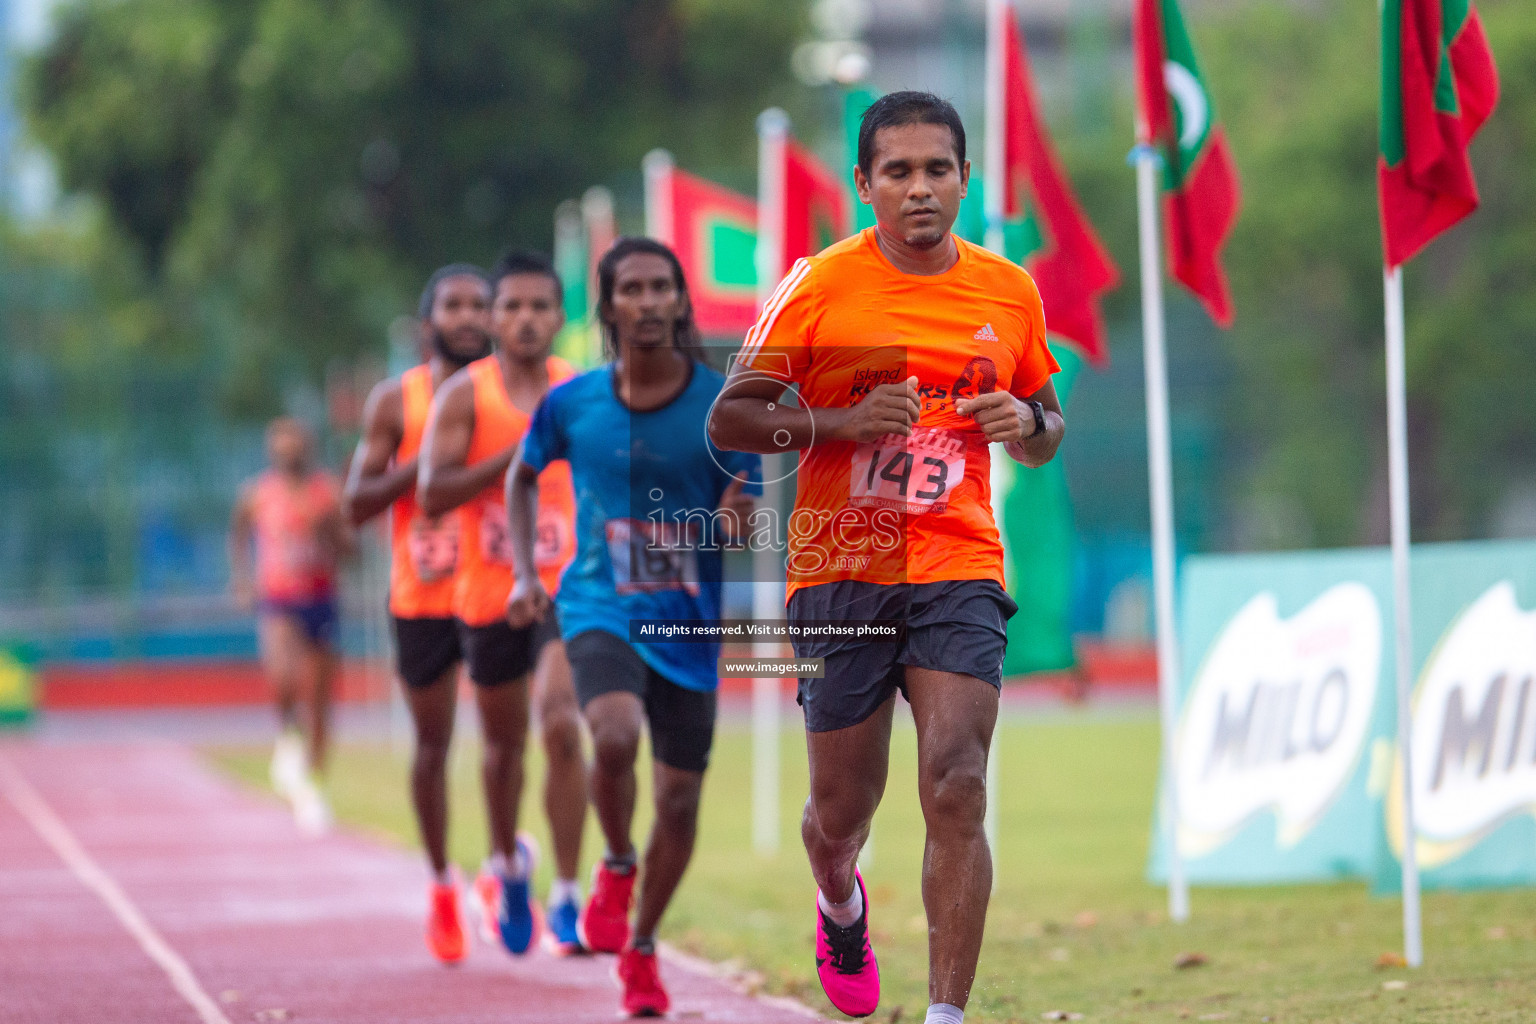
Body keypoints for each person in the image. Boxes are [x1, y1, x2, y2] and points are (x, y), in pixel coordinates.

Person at [708, 91, 1065, 1024]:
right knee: (841, 813)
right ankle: (840, 900)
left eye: (936, 169)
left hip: (959, 563)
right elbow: (731, 416)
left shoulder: (1008, 290)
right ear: (864, 184)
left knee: (956, 778)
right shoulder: (820, 284)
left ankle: (946, 1014)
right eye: (897, 172)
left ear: (964, 179)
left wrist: (1026, 421)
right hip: (841, 571)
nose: (919, 189)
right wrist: (839, 420)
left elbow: (1047, 427)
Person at [506, 237, 759, 1017]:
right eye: (632, 290)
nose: (648, 302)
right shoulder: (572, 403)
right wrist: (523, 574)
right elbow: (522, 476)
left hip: (687, 623)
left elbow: (747, 495)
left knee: (680, 801)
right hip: (596, 603)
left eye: (661, 289)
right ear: (609, 306)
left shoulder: (722, 405)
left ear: (680, 303)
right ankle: (614, 862)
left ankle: (642, 946)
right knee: (611, 737)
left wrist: (736, 513)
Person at [417, 251, 589, 958]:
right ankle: (508, 864)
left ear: (558, 317)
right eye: (511, 307)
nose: (524, 319)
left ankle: (570, 895)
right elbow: (431, 494)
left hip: (565, 587)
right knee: (502, 748)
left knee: (561, 726)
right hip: (488, 593)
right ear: (493, 318)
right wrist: (518, 456)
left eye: (538, 307)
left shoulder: (580, 392)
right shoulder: (466, 395)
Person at [341, 265, 494, 963]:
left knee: (513, 742)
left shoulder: (515, 393)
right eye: (454, 305)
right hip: (424, 595)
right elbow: (355, 504)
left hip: (498, 587)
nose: (468, 316)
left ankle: (502, 864)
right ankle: (440, 884)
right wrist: (427, 463)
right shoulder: (395, 402)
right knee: (433, 746)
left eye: (479, 305)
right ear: (428, 322)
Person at [230, 417, 353, 836]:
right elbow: (238, 533)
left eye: (295, 445)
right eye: (280, 446)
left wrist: (330, 536)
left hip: (320, 598)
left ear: (308, 448)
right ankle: (287, 736)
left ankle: (313, 786)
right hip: (278, 598)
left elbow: (352, 551)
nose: (288, 452)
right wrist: (242, 578)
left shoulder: (328, 493)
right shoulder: (257, 495)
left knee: (320, 699)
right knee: (282, 674)